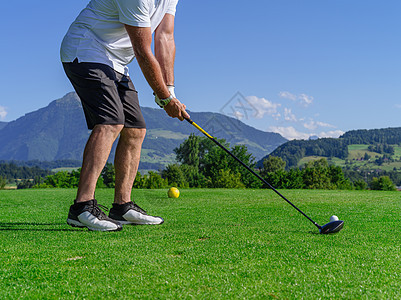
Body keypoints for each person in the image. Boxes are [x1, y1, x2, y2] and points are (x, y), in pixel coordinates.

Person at [60, 0, 189, 231]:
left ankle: (122, 206)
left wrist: (170, 90)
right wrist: (164, 99)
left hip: (116, 62)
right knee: (110, 122)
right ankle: (82, 207)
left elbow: (165, 37)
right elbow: (141, 49)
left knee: (135, 129)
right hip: (86, 49)